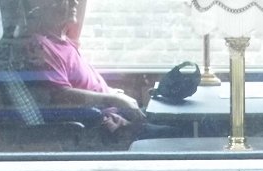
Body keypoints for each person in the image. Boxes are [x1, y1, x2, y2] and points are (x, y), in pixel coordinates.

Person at [23, 0, 178, 146]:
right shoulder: (40, 46)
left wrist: (112, 93)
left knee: (176, 120)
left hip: (116, 113)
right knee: (177, 135)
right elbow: (60, 95)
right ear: (47, 4)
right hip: (106, 124)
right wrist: (114, 99)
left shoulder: (64, 41)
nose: (75, 2)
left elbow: (83, 83)